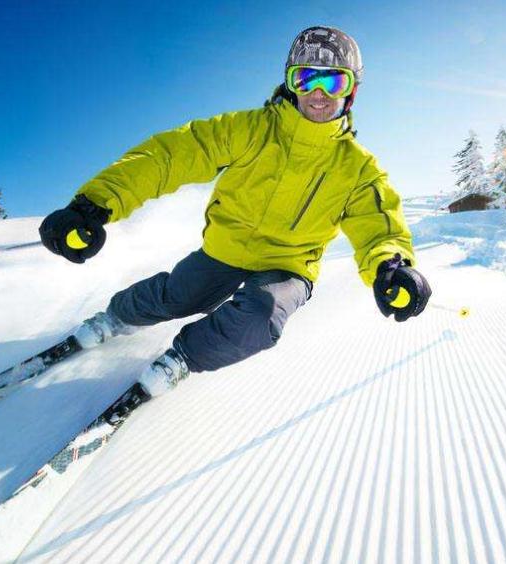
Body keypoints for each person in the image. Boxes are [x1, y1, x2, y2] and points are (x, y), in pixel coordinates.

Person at [39, 25, 432, 399]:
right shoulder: (250, 130)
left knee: (262, 316)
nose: (317, 92)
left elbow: (379, 226)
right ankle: (115, 319)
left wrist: (390, 267)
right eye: (305, 77)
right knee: (179, 296)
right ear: (290, 82)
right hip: (226, 248)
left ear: (351, 92)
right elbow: (170, 157)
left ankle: (184, 358)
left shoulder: (359, 169)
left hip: (289, 264)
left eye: (333, 81)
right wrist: (94, 204)